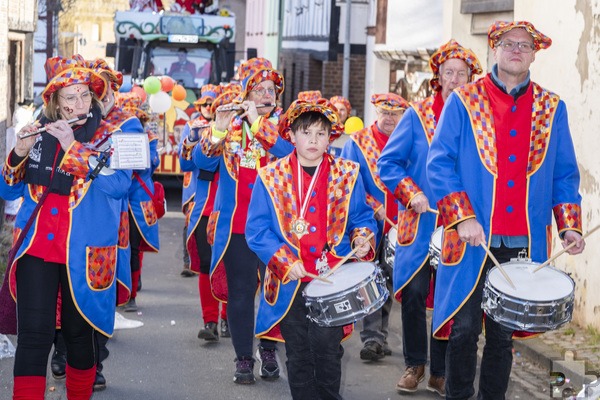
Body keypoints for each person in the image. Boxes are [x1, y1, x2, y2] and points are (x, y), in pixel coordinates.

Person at [426, 21, 585, 400]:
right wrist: (462, 217)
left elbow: (564, 172)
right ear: (494, 49)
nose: (517, 50)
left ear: (534, 54)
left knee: (502, 335)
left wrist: (570, 227)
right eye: (509, 43)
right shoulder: (463, 100)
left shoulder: (552, 107)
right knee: (464, 328)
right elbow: (439, 163)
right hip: (469, 240)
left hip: (522, 240)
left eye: (525, 46)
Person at [0, 54, 132, 400]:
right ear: (55, 103)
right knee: (34, 337)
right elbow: (9, 190)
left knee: (78, 336)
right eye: (70, 97)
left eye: (85, 95)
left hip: (86, 252)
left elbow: (120, 186)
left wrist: (73, 148)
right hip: (37, 248)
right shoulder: (38, 131)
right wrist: (18, 152)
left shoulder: (118, 133)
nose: (79, 103)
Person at [246, 98, 377, 400]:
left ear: (331, 136)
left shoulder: (348, 173)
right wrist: (283, 262)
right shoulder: (271, 176)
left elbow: (362, 217)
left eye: (321, 133)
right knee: (299, 355)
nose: (314, 140)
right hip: (290, 282)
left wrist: (362, 238)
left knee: (328, 353)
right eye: (306, 133)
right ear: (291, 135)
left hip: (333, 280)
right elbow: (257, 230)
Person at [378, 39, 482, 396]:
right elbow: (388, 163)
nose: (454, 80)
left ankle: (439, 371)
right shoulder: (417, 114)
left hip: (458, 224)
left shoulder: (478, 122)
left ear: (472, 78)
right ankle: (414, 364)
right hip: (421, 224)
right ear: (438, 77)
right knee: (415, 291)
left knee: (447, 297)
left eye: (461, 74)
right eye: (448, 73)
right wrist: (412, 192)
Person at [193, 57, 294, 383]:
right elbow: (201, 165)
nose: (266, 95)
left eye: (271, 90)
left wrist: (260, 126)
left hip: (276, 229)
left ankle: (267, 348)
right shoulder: (228, 125)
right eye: (258, 89)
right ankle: (243, 358)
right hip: (237, 225)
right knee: (240, 292)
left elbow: (291, 158)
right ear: (246, 94)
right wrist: (219, 129)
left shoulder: (286, 127)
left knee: (273, 292)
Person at [341, 92, 408, 362]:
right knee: (369, 276)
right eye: (385, 112)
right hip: (367, 223)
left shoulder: (408, 141)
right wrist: (371, 204)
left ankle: (379, 335)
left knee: (388, 278)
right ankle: (371, 337)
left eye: (395, 114)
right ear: (376, 112)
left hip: (399, 223)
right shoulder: (358, 142)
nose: (390, 118)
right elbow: (347, 177)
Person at [179, 83, 237, 340]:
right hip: (205, 210)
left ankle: (227, 318)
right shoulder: (205, 132)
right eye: (224, 110)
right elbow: (185, 163)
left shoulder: (251, 137)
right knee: (206, 266)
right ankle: (210, 320)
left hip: (233, 212)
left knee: (232, 267)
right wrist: (192, 139)